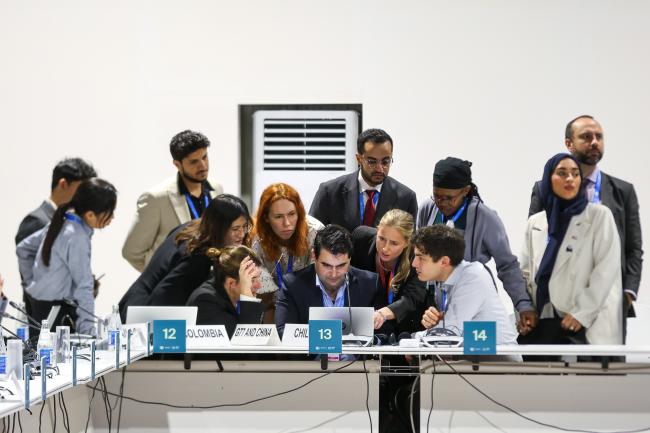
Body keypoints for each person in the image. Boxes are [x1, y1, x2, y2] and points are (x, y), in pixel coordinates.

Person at [529, 115, 642, 336]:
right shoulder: (544, 189)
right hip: (556, 303)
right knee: (550, 367)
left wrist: (627, 294)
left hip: (606, 303)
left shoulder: (622, 191)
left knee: (603, 368)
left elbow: (633, 248)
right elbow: (535, 243)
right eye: (586, 137)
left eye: (599, 137)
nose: (594, 142)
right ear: (569, 143)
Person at [417, 157, 537, 334]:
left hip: (472, 298)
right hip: (436, 301)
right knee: (440, 351)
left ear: (465, 191)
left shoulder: (485, 217)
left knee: (473, 354)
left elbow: (507, 266)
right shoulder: (428, 208)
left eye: (449, 198)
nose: (442, 203)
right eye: (437, 196)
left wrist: (523, 304)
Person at [520, 153, 622, 346]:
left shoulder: (598, 216)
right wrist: (525, 311)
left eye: (575, 174)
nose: (570, 179)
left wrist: (581, 314)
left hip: (583, 323)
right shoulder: (536, 222)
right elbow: (525, 272)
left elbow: (606, 271)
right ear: (548, 179)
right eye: (562, 173)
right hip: (544, 321)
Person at [118, 194, 252, 320]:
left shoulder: (190, 228)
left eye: (244, 227)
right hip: (142, 316)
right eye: (235, 229)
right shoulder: (198, 258)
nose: (241, 235)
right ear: (218, 227)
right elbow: (164, 296)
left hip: (133, 304)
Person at [16, 178, 117, 335]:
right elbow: (84, 286)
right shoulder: (77, 237)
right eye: (109, 213)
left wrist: (31, 284)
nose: (112, 218)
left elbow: (23, 249)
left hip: (40, 307)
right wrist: (88, 332)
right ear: (90, 215)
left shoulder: (62, 223)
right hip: (57, 313)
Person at [122, 130, 224, 272]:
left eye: (205, 157)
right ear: (177, 164)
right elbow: (132, 252)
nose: (203, 165)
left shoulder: (217, 189)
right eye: (194, 161)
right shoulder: (156, 199)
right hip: (178, 287)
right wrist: (161, 279)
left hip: (211, 283)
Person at [412, 225, 519, 347]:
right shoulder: (445, 282)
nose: (414, 263)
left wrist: (412, 338)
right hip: (475, 358)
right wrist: (438, 324)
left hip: (502, 363)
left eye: (421, 258)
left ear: (444, 262)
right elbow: (453, 332)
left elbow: (451, 332)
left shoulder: (472, 276)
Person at [275, 224, 383, 337]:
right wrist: (329, 339)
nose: (334, 274)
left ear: (350, 259)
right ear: (314, 256)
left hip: (355, 354)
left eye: (341, 265)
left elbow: (386, 334)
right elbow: (283, 331)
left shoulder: (370, 284)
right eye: (326, 265)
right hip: (311, 354)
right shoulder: (293, 285)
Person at [309, 128, 418, 233]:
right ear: (359, 159)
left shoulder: (406, 198)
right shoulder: (330, 192)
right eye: (372, 162)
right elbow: (311, 236)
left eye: (385, 162)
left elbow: (409, 247)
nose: (379, 169)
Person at [250, 183, 324, 322]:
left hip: (311, 304)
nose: (287, 223)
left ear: (299, 213)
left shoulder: (316, 232)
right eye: (278, 217)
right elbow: (263, 292)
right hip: (272, 306)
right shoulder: (257, 239)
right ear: (266, 218)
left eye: (291, 214)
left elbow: (322, 282)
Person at [351, 209, 426, 333]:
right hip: (363, 323)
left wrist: (382, 314)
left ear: (407, 242)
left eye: (394, 243)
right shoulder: (360, 238)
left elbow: (412, 299)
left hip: (405, 328)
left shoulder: (417, 256)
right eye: (381, 238)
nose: (385, 248)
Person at [186, 246, 265, 337]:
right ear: (231, 283)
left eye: (259, 277)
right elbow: (246, 344)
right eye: (252, 279)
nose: (259, 285)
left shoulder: (233, 298)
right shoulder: (206, 301)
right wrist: (248, 301)